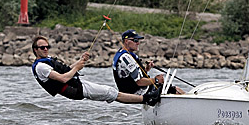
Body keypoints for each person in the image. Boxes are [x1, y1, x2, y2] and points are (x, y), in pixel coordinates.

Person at [31, 36, 160, 105]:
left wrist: (81, 60)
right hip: (74, 90)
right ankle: (146, 99)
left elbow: (67, 71)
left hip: (77, 84)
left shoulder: (46, 60)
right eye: (42, 47)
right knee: (110, 93)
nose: (45, 49)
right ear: (35, 50)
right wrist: (77, 67)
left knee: (111, 91)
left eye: (47, 46)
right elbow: (63, 78)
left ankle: (145, 98)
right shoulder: (41, 67)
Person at [113, 30, 185, 96]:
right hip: (137, 93)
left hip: (140, 89)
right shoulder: (126, 58)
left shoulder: (122, 53)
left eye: (138, 40)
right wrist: (156, 80)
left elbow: (131, 75)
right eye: (135, 40)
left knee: (174, 88)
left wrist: (146, 69)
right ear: (126, 41)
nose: (138, 43)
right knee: (176, 90)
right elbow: (139, 82)